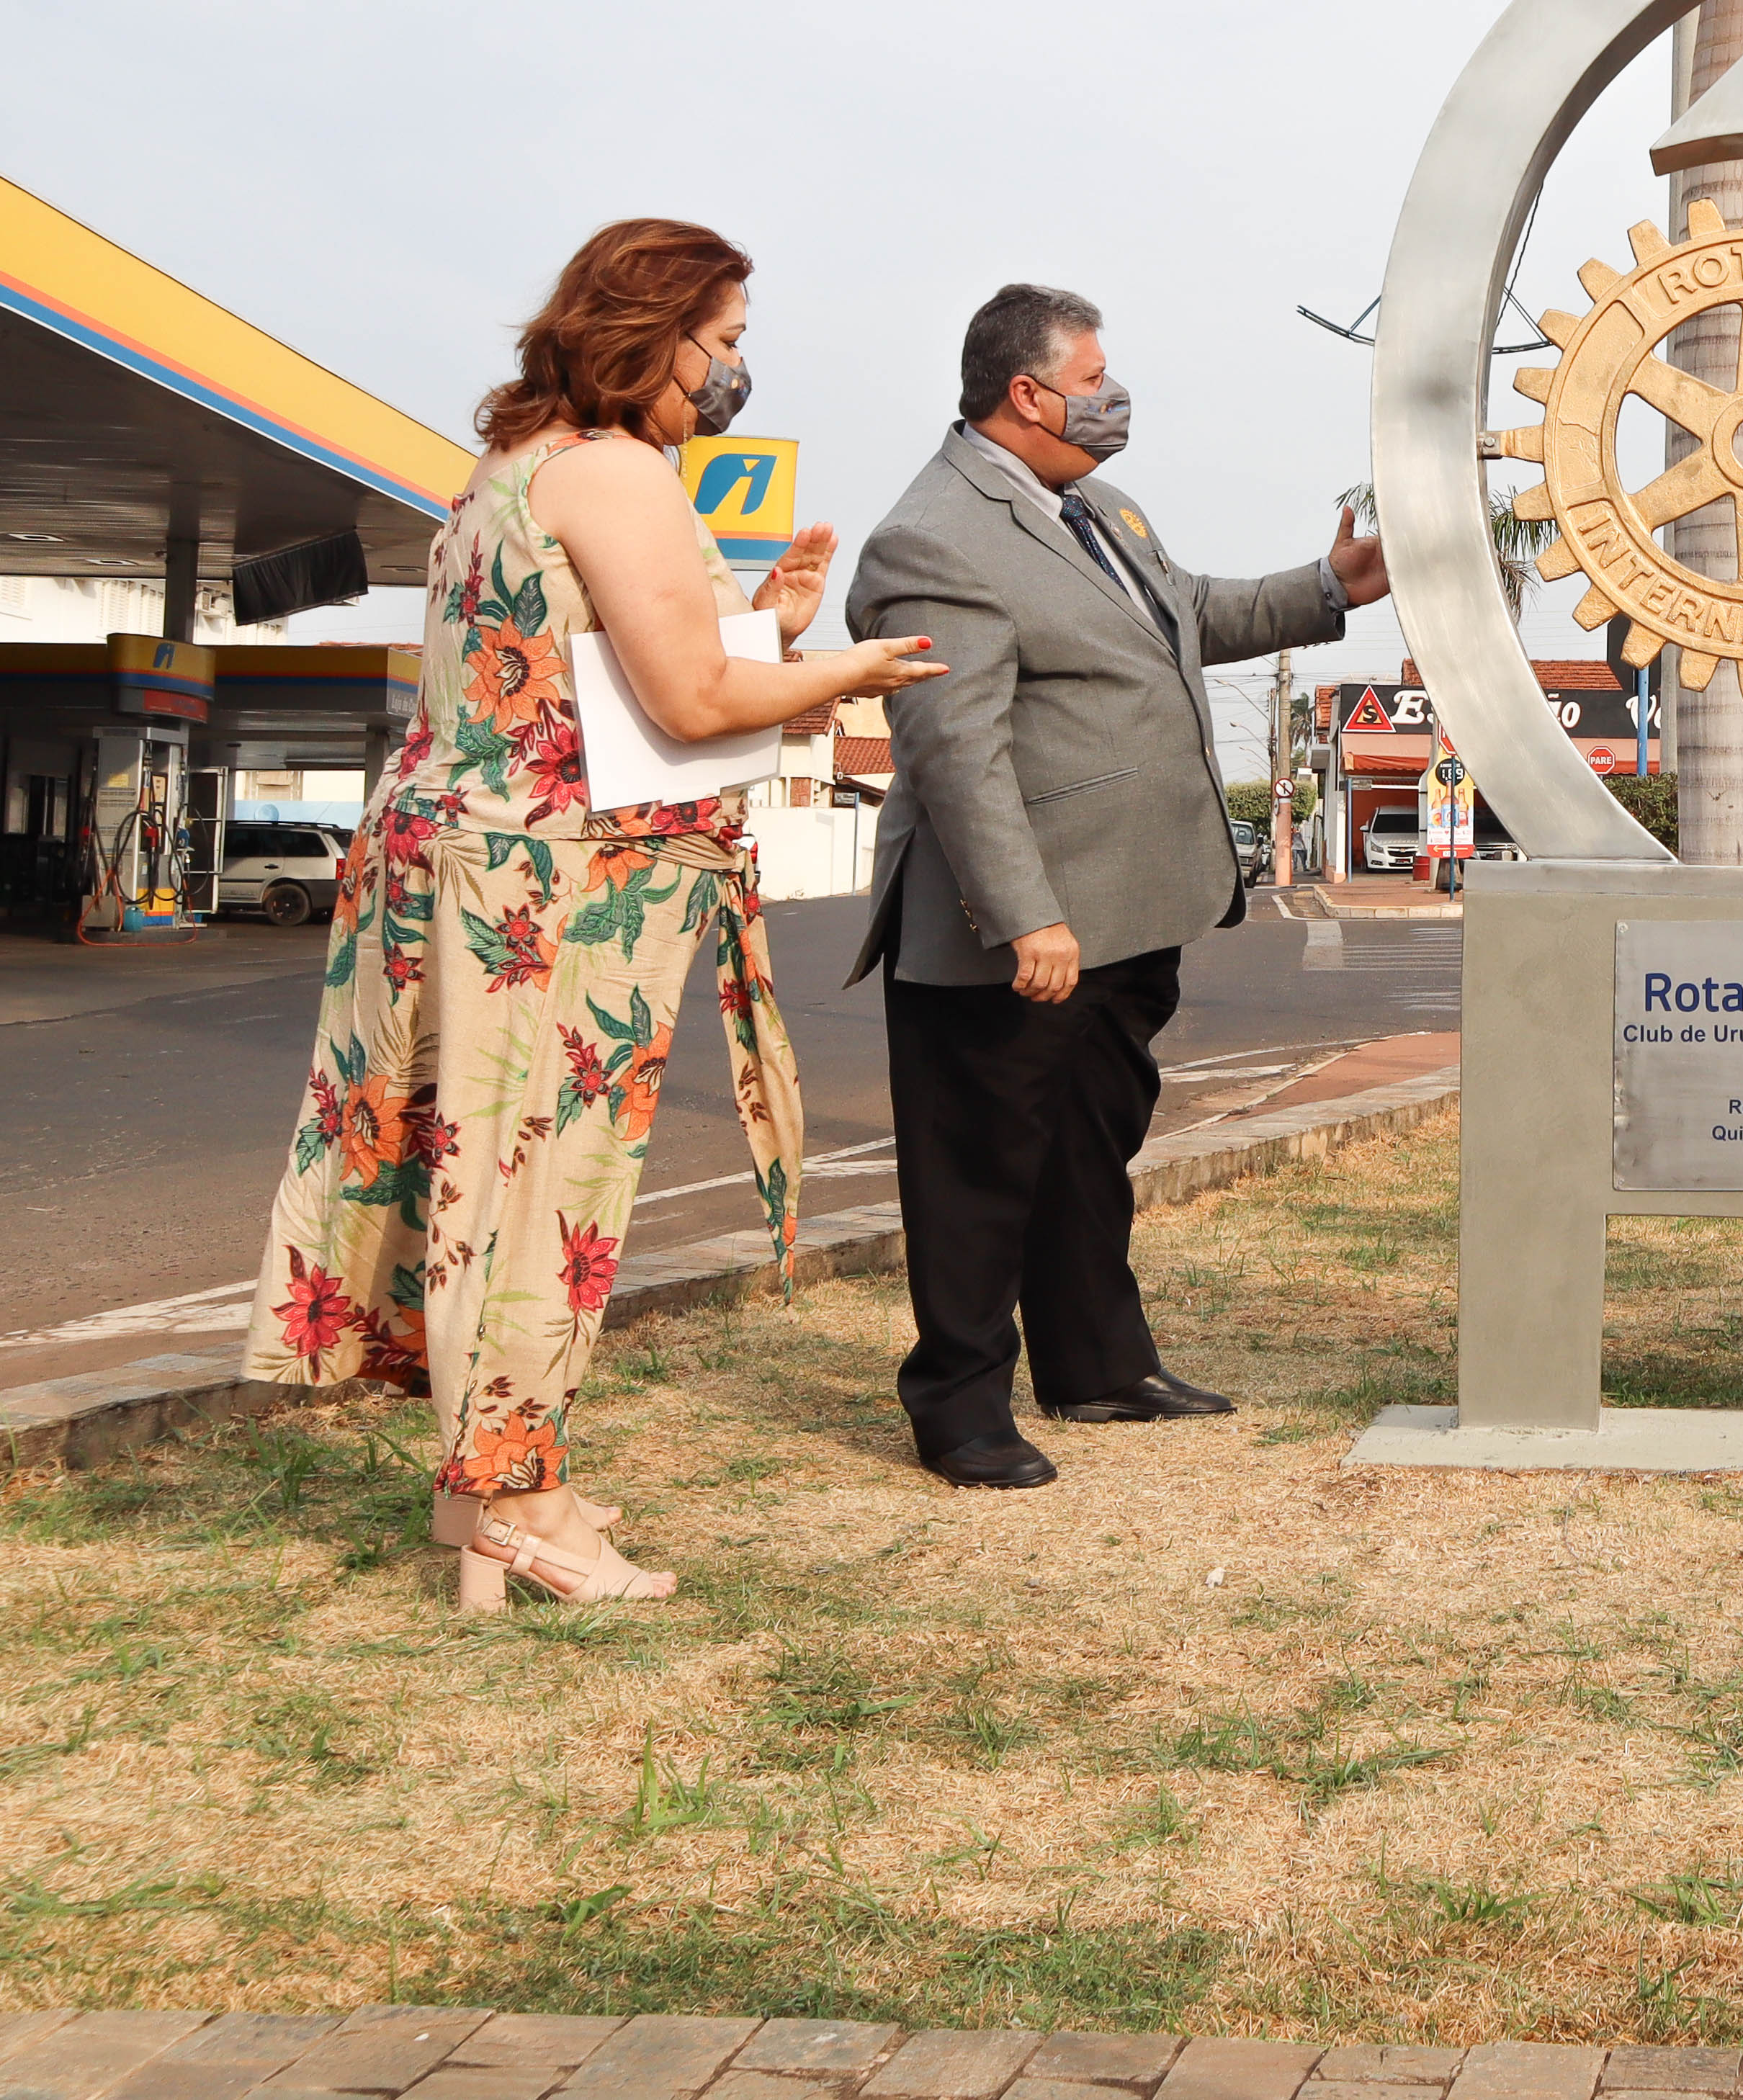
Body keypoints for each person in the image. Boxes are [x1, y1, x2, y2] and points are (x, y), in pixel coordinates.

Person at [243, 220, 943, 1608]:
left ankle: (486, 1483)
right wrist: (844, 670)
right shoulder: (618, 472)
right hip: (550, 894)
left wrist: (769, 632)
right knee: (538, 1192)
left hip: (462, 869)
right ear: (658, 328)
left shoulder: (513, 469)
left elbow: (584, 685)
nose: (735, 370)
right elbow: (684, 705)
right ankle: (527, 1506)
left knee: (473, 1179)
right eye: (727, 342)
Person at [847, 284, 1387, 1489]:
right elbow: (954, 748)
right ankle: (960, 1410)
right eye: (1093, 377)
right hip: (1020, 925)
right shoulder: (935, 535)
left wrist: (1334, 585)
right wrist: (1026, 910)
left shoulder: (1095, 504)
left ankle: (1096, 1365)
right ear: (1026, 394)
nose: (1112, 392)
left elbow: (1186, 615)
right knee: (982, 1164)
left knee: (1089, 1145)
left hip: (1129, 907)